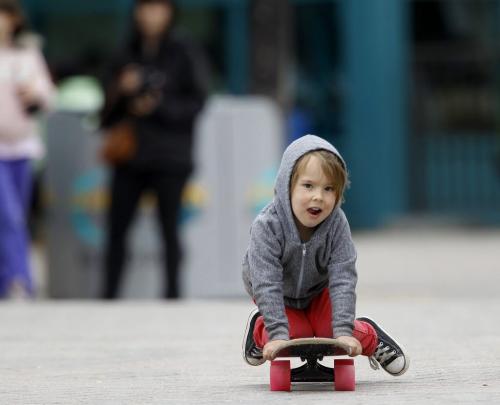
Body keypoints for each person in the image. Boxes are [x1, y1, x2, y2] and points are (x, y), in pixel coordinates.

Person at [242, 135, 410, 376]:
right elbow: (266, 282)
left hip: (319, 291)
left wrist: (343, 331)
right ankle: (260, 329)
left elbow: (343, 277)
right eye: (308, 186)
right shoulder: (267, 226)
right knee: (292, 337)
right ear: (287, 186)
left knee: (334, 335)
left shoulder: (337, 224)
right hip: (278, 294)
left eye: (328, 188)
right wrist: (277, 334)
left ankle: (371, 337)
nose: (318, 196)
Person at [100, 0, 206, 299]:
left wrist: (158, 106)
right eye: (146, 8)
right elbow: (104, 114)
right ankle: (108, 296)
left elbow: (197, 103)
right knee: (117, 230)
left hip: (170, 158)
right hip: (129, 157)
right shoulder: (125, 51)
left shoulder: (183, 50)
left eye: (159, 8)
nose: (152, 15)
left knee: (169, 231)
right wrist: (122, 90)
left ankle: (172, 296)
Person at [0, 0, 54, 299]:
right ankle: (21, 280)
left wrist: (35, 93)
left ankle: (6, 281)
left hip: (21, 146)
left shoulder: (26, 54)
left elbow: (48, 95)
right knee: (7, 216)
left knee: (17, 214)